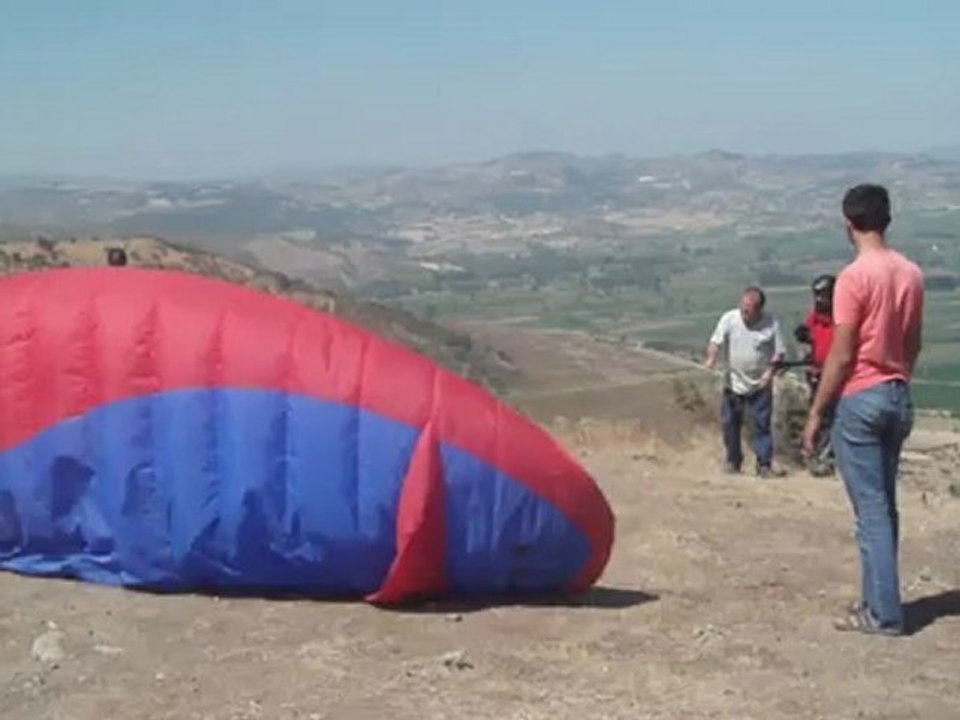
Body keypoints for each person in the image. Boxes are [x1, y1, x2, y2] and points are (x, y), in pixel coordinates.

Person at [802, 183, 924, 636]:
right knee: (885, 507)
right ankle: (877, 601)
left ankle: (883, 614)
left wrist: (817, 411)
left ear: (848, 223)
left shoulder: (854, 277)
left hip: (862, 395)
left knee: (868, 511)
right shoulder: (910, 273)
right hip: (897, 391)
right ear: (886, 219)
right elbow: (912, 342)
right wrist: (900, 375)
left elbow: (841, 353)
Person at [706, 286, 787, 478]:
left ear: (759, 309)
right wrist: (711, 359)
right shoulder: (729, 319)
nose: (744, 312)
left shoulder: (771, 322)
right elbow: (716, 341)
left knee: (761, 425)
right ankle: (733, 461)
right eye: (742, 307)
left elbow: (779, 353)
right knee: (729, 423)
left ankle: (764, 465)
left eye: (748, 309)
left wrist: (769, 373)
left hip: (760, 383)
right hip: (733, 382)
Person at [794, 274, 837, 476]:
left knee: (833, 417)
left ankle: (827, 457)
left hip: (837, 375)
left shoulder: (842, 318)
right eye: (817, 295)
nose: (820, 300)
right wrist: (804, 336)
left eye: (823, 295)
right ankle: (816, 454)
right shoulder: (815, 317)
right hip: (816, 373)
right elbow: (810, 337)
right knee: (819, 416)